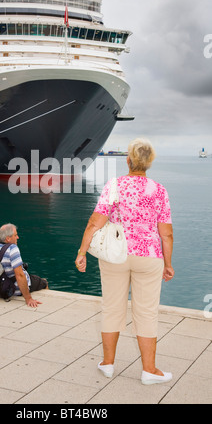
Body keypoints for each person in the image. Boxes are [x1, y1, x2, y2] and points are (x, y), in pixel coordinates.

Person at [75, 138, 175, 385]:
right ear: (149, 163)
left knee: (111, 307)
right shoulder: (159, 190)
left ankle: (108, 365)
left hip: (116, 255)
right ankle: (149, 370)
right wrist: (168, 263)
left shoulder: (115, 186)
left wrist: (82, 251)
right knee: (147, 312)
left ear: (128, 160)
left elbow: (94, 223)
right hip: (149, 257)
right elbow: (167, 233)